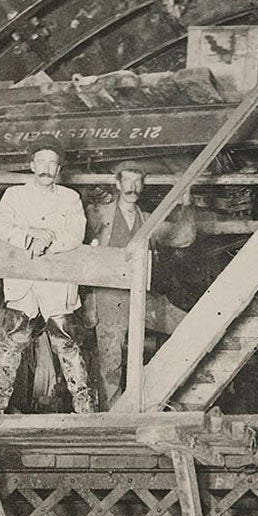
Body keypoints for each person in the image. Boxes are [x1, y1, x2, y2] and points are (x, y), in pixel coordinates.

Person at [0, 147, 96, 413]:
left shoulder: (70, 199)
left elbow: (75, 234)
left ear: (59, 169)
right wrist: (30, 235)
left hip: (57, 284)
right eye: (41, 162)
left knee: (67, 344)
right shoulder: (14, 195)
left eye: (52, 163)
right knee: (11, 341)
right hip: (23, 283)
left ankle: (85, 410)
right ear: (31, 165)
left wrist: (49, 239)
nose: (46, 168)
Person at [83, 162, 192, 407]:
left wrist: (187, 205)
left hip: (142, 298)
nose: (133, 187)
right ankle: (115, 419)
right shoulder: (101, 214)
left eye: (137, 181)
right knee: (110, 368)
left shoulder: (147, 221)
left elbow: (183, 238)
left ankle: (162, 393)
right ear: (118, 184)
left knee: (188, 328)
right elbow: (80, 243)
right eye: (128, 181)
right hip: (109, 299)